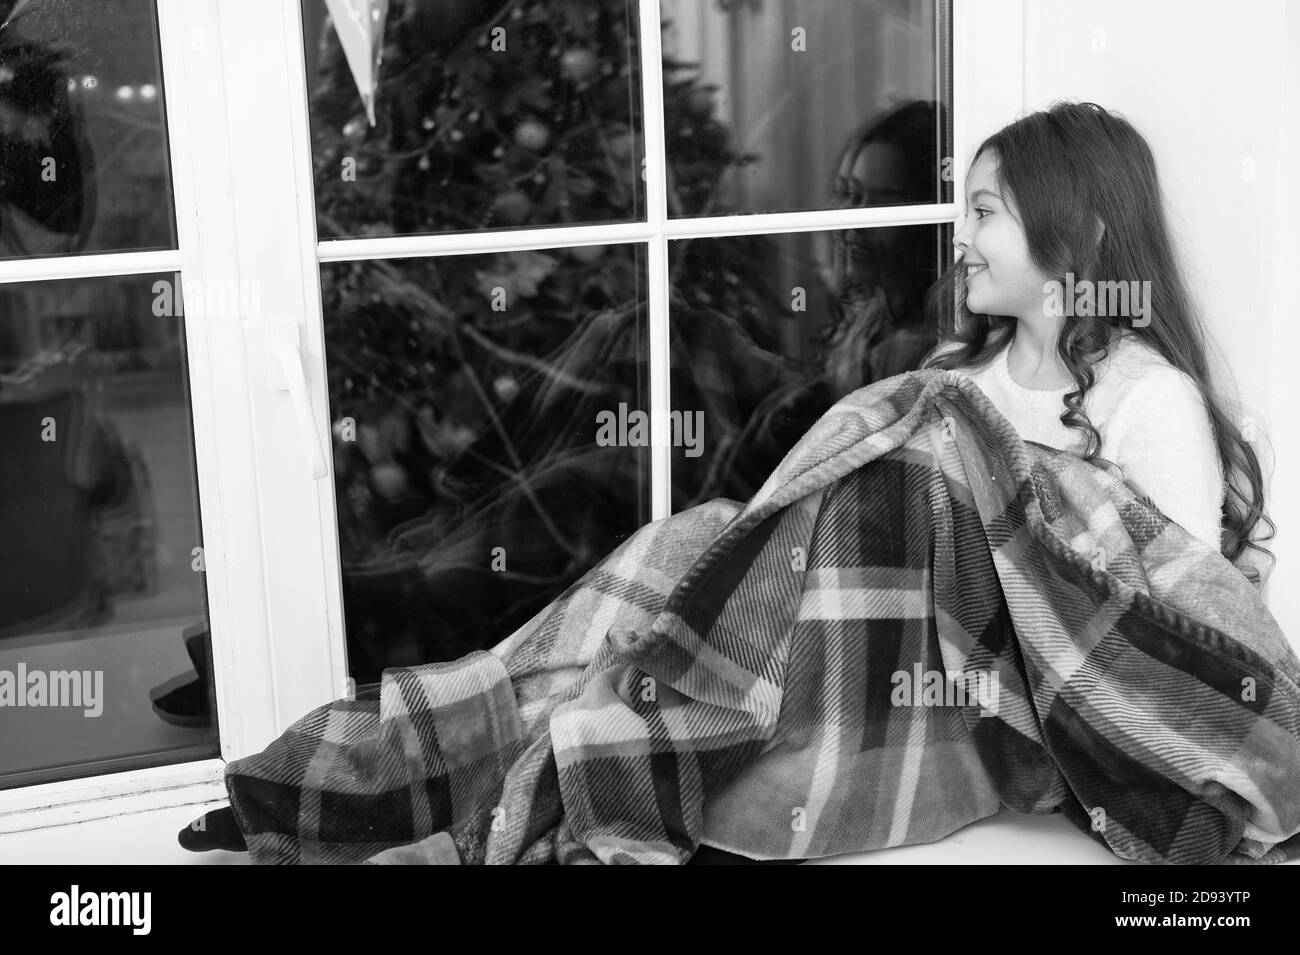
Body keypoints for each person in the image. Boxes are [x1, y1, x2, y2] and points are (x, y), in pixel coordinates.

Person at [918, 101, 1272, 574]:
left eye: (983, 212)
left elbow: (1190, 601)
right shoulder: (954, 369)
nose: (960, 237)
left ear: (1079, 232)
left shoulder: (1149, 397)